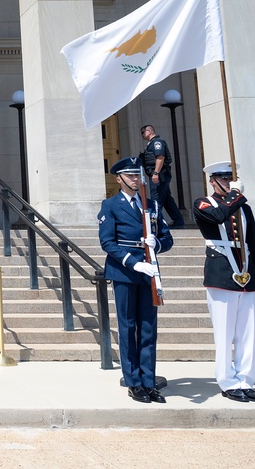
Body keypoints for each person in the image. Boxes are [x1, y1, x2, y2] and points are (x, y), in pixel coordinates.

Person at [98, 156, 174, 404]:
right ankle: (133, 382)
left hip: (149, 271)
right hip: (125, 272)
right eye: (129, 176)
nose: (135, 179)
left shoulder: (150, 205)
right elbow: (108, 242)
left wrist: (158, 244)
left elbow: (167, 237)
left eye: (137, 175)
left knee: (148, 329)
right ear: (118, 178)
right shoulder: (110, 205)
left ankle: (148, 381)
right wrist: (133, 261)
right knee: (128, 327)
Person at [193, 161, 255, 402]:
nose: (228, 183)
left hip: (247, 272)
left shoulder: (243, 208)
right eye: (223, 179)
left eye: (231, 179)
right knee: (225, 332)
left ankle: (247, 380)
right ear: (212, 181)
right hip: (221, 272)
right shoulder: (204, 203)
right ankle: (228, 382)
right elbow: (218, 217)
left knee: (248, 332)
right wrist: (235, 195)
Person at [140, 124, 185, 228]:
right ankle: (178, 221)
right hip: (159, 175)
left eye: (143, 132)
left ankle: (156, 224)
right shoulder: (150, 144)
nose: (141, 135)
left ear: (149, 131)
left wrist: (155, 173)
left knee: (156, 199)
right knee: (167, 199)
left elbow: (160, 157)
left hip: (160, 175)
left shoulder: (157, 143)